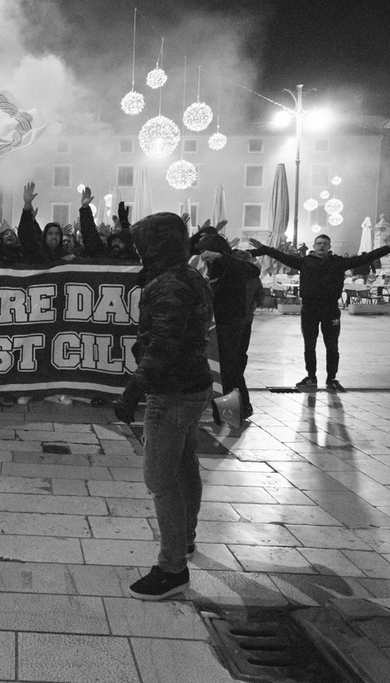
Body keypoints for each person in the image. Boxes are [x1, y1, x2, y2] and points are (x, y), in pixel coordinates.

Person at [111, 212, 213, 600]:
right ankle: (184, 539)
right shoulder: (189, 276)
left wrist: (133, 392)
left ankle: (172, 568)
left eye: (143, 245)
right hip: (193, 383)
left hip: (172, 391)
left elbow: (164, 346)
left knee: (159, 478)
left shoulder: (170, 284)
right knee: (185, 464)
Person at [248, 233, 390, 391]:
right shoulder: (305, 262)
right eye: (319, 243)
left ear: (329, 246)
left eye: (324, 243)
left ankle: (331, 379)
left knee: (332, 346)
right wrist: (263, 249)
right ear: (314, 246)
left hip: (330, 309)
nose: (321, 246)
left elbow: (365, 258)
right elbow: (280, 255)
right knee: (309, 345)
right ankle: (311, 377)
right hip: (310, 308)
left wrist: (389, 248)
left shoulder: (338, 262)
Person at [196, 234, 261, 420]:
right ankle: (224, 411)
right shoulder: (209, 267)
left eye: (205, 250)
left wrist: (221, 257)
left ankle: (241, 408)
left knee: (230, 367)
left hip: (231, 322)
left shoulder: (232, 264)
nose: (202, 254)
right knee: (221, 367)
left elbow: (251, 270)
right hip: (216, 322)